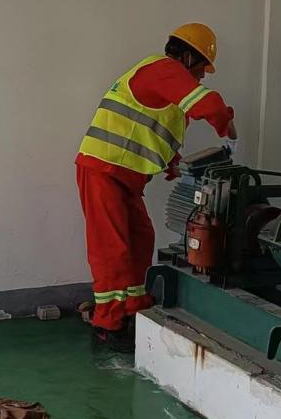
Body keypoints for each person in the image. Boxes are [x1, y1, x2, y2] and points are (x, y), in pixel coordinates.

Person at [76, 23, 237, 350]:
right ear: (188, 56)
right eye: (202, 67)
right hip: (104, 169)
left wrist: (172, 162)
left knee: (141, 237)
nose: (202, 76)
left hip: (125, 176)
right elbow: (209, 106)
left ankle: (133, 304)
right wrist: (228, 128)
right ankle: (108, 323)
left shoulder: (167, 84)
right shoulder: (164, 69)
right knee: (112, 248)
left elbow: (154, 127)